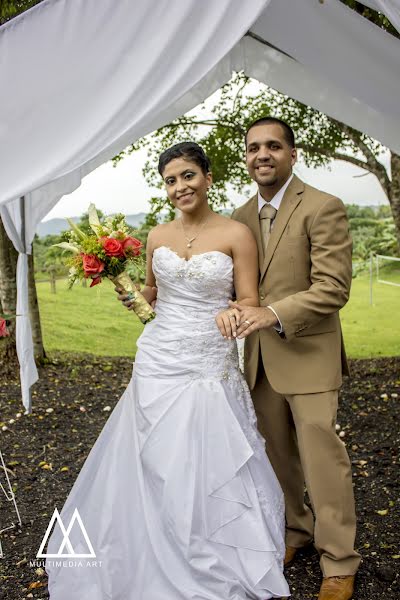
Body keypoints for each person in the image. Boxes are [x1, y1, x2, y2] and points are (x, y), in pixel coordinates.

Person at [45, 142, 290, 599]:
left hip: (207, 356)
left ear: (208, 177)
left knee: (206, 454)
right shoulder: (157, 236)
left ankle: (210, 545)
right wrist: (132, 293)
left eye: (188, 176)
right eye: (171, 181)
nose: (180, 187)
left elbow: (250, 300)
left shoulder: (237, 234)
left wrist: (235, 313)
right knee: (152, 454)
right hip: (159, 355)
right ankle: (146, 540)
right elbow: (153, 294)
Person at [230, 117, 361, 600]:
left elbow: (333, 288)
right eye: (253, 148)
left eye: (272, 146)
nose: (261, 155)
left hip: (308, 355)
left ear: (292, 153)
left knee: (323, 460)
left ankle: (340, 561)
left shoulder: (324, 207)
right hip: (258, 361)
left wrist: (272, 314)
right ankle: (295, 532)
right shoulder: (239, 217)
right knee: (276, 458)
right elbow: (228, 287)